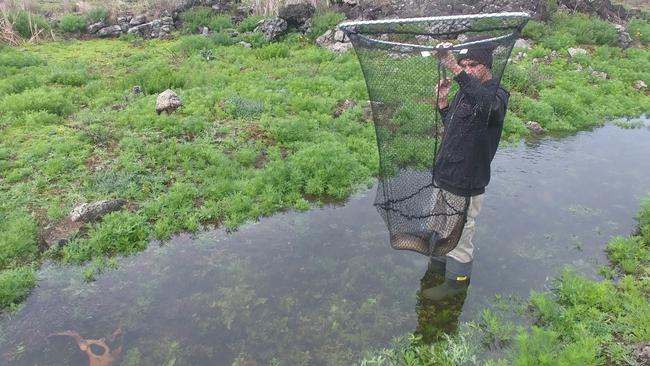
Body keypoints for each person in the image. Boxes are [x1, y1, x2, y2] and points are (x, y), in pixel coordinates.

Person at [421, 43, 510, 300]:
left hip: (467, 181)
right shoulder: (464, 93)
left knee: (460, 234)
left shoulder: (497, 95)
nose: (468, 70)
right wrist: (442, 103)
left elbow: (486, 109)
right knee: (439, 226)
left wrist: (455, 69)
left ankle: (456, 283)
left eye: (474, 65)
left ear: (487, 67)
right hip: (446, 175)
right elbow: (453, 126)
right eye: (465, 65)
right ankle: (438, 267)